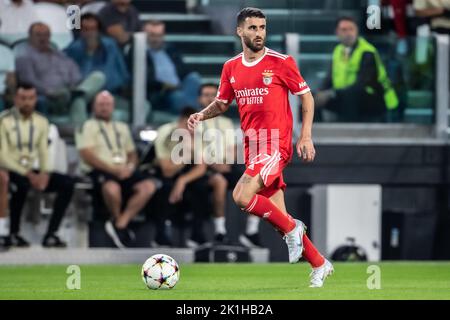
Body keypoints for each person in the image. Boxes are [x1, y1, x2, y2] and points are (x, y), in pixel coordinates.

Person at [188, 7, 333, 288]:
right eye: (253, 28)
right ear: (239, 31)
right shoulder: (231, 67)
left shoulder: (281, 62)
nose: (259, 33)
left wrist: (305, 136)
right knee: (279, 217)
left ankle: (294, 229)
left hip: (275, 144)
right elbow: (222, 103)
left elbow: (307, 99)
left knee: (241, 196)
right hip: (253, 146)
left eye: (263, 27)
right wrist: (201, 114)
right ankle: (319, 263)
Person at [77, 91, 158, 248]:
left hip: (124, 169)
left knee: (148, 186)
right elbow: (87, 154)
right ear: (94, 107)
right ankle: (117, 219)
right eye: (101, 105)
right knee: (112, 189)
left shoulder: (121, 127)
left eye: (107, 105)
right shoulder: (88, 126)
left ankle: (120, 224)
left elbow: (132, 153)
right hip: (101, 169)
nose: (104, 108)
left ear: (113, 107)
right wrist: (112, 170)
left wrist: (130, 167)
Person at [0, 83, 76, 247]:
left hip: (33, 170)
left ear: (36, 99)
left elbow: (43, 150)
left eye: (31, 98)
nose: (27, 102)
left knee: (67, 184)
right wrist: (29, 174)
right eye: (23, 98)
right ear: (16, 99)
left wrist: (45, 173)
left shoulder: (41, 122)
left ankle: (51, 233)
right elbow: (3, 155)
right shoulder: (4, 120)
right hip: (11, 168)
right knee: (19, 186)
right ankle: (13, 233)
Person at [197, 83, 262, 246]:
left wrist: (227, 162)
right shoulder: (195, 121)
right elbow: (195, 151)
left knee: (256, 181)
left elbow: (233, 148)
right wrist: (214, 164)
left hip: (227, 166)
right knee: (220, 182)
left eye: (214, 94)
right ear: (199, 99)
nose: (211, 98)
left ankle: (251, 231)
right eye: (206, 94)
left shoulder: (227, 122)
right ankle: (220, 231)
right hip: (204, 169)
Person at [15, 22, 106, 126]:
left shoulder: (59, 54)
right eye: (38, 35)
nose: (43, 38)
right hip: (53, 96)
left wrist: (74, 85)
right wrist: (48, 91)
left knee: (98, 76)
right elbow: (29, 81)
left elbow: (74, 70)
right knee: (78, 100)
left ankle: (77, 94)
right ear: (30, 37)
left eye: (46, 35)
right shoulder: (25, 57)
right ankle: (78, 97)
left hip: (70, 89)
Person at [315, 16, 399, 123]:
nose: (348, 33)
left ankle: (349, 130)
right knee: (311, 98)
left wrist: (332, 93)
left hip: (374, 99)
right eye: (344, 30)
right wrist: (320, 93)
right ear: (337, 32)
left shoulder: (367, 52)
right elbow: (329, 78)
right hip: (344, 96)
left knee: (351, 95)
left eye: (351, 29)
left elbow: (361, 84)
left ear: (357, 31)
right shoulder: (338, 50)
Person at [152, 107, 211, 247]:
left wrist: (182, 181)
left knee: (201, 187)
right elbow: (167, 170)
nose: (190, 129)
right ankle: (161, 235)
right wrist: (185, 150)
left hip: (184, 173)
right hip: (162, 169)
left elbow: (201, 167)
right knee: (164, 187)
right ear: (179, 122)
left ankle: (197, 235)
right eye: (187, 125)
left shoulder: (199, 135)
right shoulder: (165, 132)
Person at [144, 20, 202, 114]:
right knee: (178, 97)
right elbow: (145, 79)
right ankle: (190, 118)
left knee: (194, 78)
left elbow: (183, 69)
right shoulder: (140, 53)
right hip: (161, 91)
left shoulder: (169, 49)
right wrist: (165, 85)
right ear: (145, 34)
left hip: (179, 86)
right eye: (152, 35)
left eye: (159, 35)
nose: (156, 39)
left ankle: (190, 116)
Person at [65, 13, 130, 95]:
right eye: (86, 29)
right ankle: (79, 97)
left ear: (98, 31)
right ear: (80, 31)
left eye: (93, 29)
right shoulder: (73, 49)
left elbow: (121, 72)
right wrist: (89, 54)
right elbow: (74, 77)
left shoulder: (110, 46)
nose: (90, 33)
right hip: (84, 93)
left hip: (110, 93)